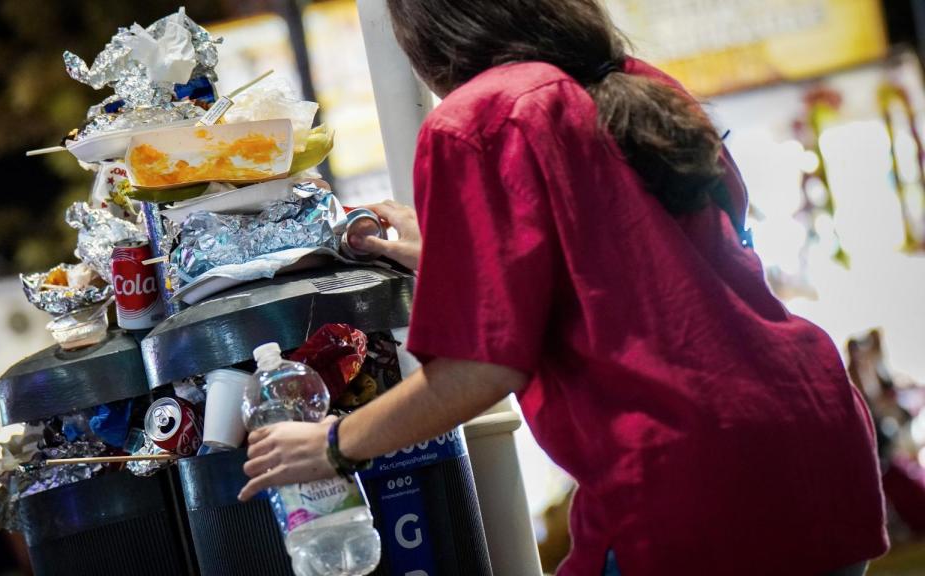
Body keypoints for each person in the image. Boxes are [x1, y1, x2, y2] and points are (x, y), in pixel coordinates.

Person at [238, 1, 888, 574]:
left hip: (691, 479)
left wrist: (331, 445)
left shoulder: (478, 118)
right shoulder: (641, 82)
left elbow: (481, 369)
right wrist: (451, 260)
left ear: (424, 30)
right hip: (822, 443)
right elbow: (656, 261)